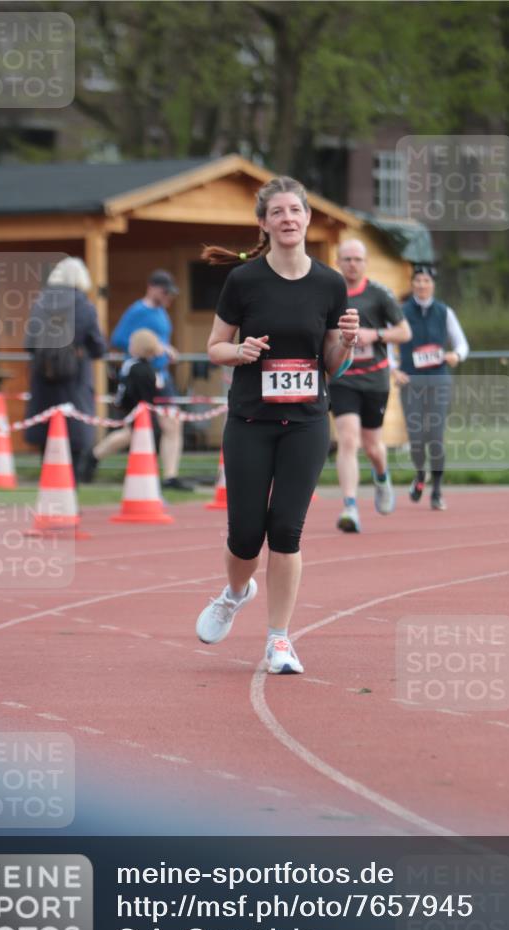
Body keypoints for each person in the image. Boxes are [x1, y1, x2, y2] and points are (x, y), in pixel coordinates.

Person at [194, 176, 359, 675]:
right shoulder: (244, 281)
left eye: (296, 210)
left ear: (308, 218)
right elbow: (214, 346)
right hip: (249, 420)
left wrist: (347, 345)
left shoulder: (330, 283)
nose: (288, 218)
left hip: (306, 422)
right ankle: (235, 593)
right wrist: (239, 352)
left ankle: (279, 640)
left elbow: (330, 364)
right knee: (245, 534)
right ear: (264, 223)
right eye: (278, 212)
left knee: (286, 530)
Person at [329, 239, 412, 533]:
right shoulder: (330, 293)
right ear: (338, 261)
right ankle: (350, 506)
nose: (352, 264)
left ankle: (381, 477)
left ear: (365, 263)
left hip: (374, 379)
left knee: (373, 446)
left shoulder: (379, 294)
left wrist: (373, 334)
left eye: (358, 259)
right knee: (348, 440)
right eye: (347, 259)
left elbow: (404, 332)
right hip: (343, 378)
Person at [394, 265, 469, 511]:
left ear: (433, 285)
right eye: (418, 281)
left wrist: (456, 355)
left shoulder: (444, 312)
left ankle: (436, 490)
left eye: (426, 281)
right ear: (412, 284)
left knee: (435, 437)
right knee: (416, 438)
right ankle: (419, 475)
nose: (422, 285)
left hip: (438, 381)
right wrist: (394, 369)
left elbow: (461, 344)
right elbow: (386, 346)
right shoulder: (401, 312)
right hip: (412, 382)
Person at [24, 257, 106, 481]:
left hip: (43, 380)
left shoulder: (40, 303)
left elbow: (29, 343)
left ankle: (48, 489)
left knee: (47, 437)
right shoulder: (85, 306)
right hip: (75, 381)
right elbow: (99, 347)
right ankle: (70, 492)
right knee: (74, 437)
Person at [110, 270, 192, 490]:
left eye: (170, 293)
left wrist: (164, 348)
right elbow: (118, 339)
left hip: (162, 376)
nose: (168, 297)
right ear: (152, 287)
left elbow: (161, 340)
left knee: (172, 424)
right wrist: (154, 346)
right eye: (165, 292)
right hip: (142, 377)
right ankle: (94, 456)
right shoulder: (137, 311)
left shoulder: (162, 312)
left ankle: (170, 476)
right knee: (134, 428)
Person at [79, 328, 165, 480]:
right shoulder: (136, 367)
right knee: (131, 436)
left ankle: (96, 459)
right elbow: (129, 390)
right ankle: (93, 458)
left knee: (134, 437)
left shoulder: (140, 367)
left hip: (138, 409)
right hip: (135, 410)